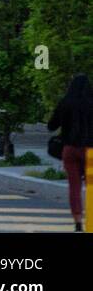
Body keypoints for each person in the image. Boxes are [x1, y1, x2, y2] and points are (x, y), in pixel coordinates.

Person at [47, 73, 93, 232]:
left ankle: (78, 222)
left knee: (74, 187)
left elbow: (51, 126)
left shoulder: (65, 102)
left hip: (69, 150)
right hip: (90, 151)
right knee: (92, 185)